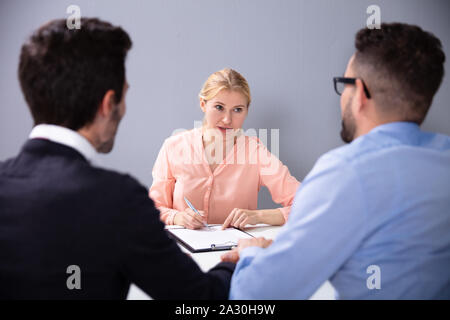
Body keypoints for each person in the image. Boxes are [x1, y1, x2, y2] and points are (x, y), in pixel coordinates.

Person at [0, 18, 234, 300]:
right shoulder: (118, 199)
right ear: (108, 104)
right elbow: (201, 299)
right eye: (124, 96)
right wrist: (238, 261)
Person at [222, 23, 450, 299]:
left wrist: (252, 254)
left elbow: (255, 296)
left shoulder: (345, 173)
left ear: (361, 94)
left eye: (345, 85)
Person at [149, 68, 300, 230]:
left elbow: (307, 203)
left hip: (233, 251)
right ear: (203, 104)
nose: (227, 119)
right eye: (219, 107)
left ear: (246, 111)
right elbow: (153, 208)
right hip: (180, 251)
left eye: (237, 110)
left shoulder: (255, 153)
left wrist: (258, 216)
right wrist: (177, 217)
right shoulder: (173, 147)